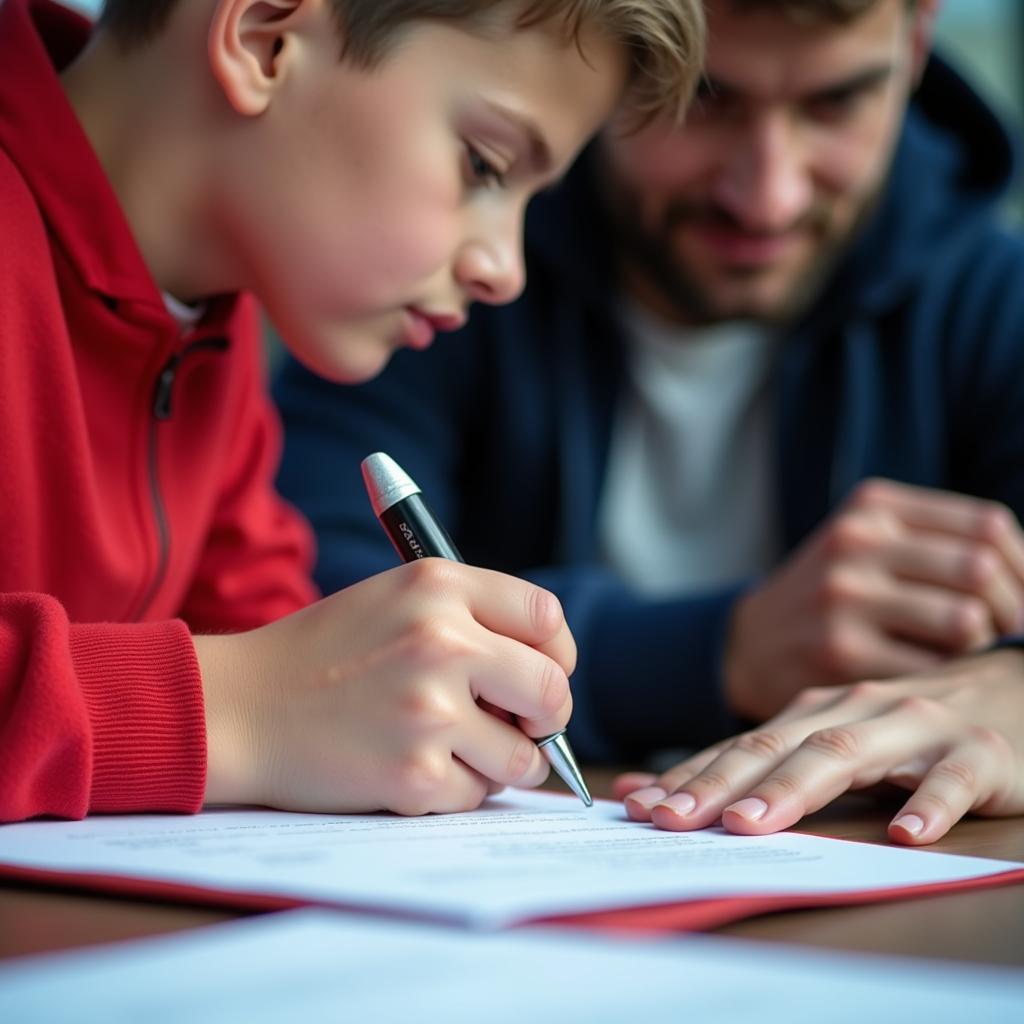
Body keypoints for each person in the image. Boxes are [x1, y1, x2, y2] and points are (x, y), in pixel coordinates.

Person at [274, 0, 1024, 843]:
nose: (767, 196)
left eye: (836, 103)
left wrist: (1013, 687)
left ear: (917, 43)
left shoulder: (996, 302)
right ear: (614, 48)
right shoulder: (433, 258)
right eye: (702, 97)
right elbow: (293, 612)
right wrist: (719, 651)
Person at [0, 0, 706, 823]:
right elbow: (270, 695)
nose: (505, 271)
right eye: (485, 165)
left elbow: (276, 636)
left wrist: (392, 703)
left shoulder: (212, 320)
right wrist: (245, 708)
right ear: (265, 39)